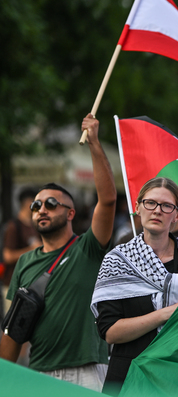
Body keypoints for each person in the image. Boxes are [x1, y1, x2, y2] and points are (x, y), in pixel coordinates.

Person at [0, 114, 117, 391]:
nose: (42, 209)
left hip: (87, 372)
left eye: (51, 203)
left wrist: (94, 143)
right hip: (40, 373)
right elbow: (14, 328)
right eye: (36, 205)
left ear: (70, 213)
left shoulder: (89, 248)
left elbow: (108, 199)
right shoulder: (26, 261)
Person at [91, 178, 178, 395]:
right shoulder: (117, 260)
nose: (157, 211)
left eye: (166, 206)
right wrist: (165, 314)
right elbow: (110, 332)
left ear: (177, 215)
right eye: (150, 203)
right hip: (128, 375)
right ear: (137, 207)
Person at [114, 187, 178, 246]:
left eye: (167, 204)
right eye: (151, 202)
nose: (157, 210)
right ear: (137, 207)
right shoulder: (127, 243)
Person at [2, 188, 42, 316]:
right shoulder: (14, 226)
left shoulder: (35, 226)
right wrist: (31, 249)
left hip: (30, 285)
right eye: (38, 203)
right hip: (13, 285)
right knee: (12, 324)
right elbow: (7, 256)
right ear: (28, 203)